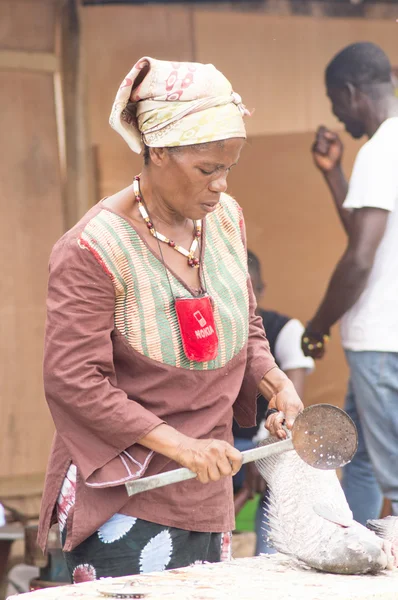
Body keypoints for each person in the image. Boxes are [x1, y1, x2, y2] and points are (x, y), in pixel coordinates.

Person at [37, 56, 303, 582]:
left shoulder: (224, 220)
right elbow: (73, 380)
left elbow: (243, 323)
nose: (221, 185)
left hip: (207, 494)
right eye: (207, 169)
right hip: (126, 499)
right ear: (157, 151)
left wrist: (275, 383)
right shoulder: (92, 249)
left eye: (229, 168)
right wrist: (181, 447)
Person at [301, 42, 398, 525]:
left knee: (395, 478)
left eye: (334, 100)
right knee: (360, 460)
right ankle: (356, 552)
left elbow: (360, 259)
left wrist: (317, 325)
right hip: (384, 340)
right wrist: (333, 173)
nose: (337, 115)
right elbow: (367, 235)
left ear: (352, 91)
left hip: (380, 342)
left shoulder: (381, 151)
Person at [233, 250, 314, 555]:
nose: (243, 301)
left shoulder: (285, 329)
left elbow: (292, 408)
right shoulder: (204, 329)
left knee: (286, 463)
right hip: (213, 443)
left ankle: (271, 558)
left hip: (263, 440)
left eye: (251, 291)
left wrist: (263, 452)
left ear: (262, 291)